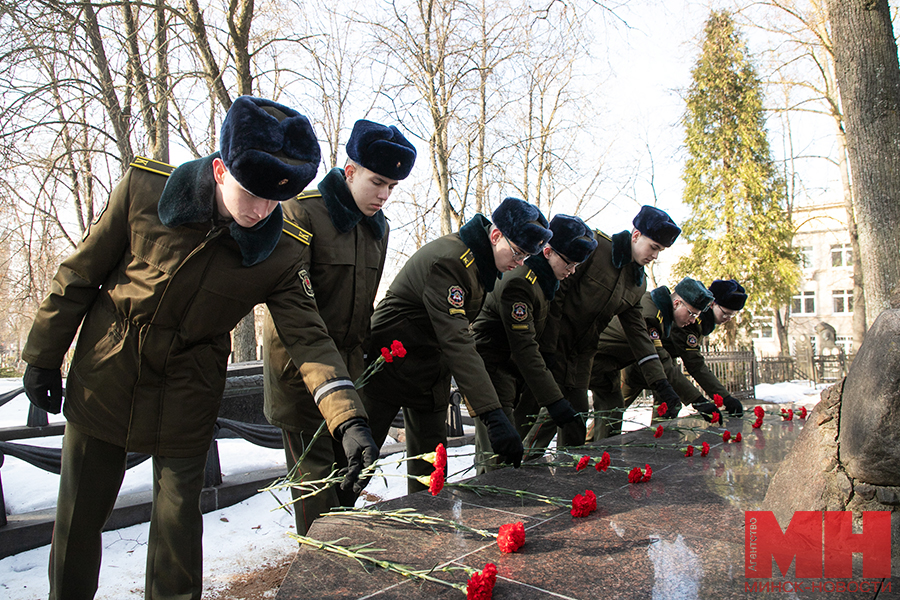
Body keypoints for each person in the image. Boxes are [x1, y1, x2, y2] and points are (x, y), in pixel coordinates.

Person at [19, 96, 380, 600]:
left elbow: (308, 336)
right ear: (218, 169)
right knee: (79, 520)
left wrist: (348, 418)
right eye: (251, 193)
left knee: (178, 534)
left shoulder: (282, 249)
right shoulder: (144, 192)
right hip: (108, 374)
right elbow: (79, 274)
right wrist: (42, 354)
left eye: (274, 200)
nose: (260, 212)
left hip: (188, 392)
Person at [262, 118, 416, 534]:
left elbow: (362, 311)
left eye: (392, 188)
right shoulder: (302, 212)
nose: (384, 196)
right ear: (350, 171)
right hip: (300, 377)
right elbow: (296, 314)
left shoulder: (377, 228)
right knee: (315, 493)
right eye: (377, 182)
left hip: (348, 375)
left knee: (349, 478)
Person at [362, 197, 553, 493]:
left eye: (527, 256)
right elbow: (458, 339)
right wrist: (492, 414)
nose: (520, 262)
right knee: (359, 462)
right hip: (391, 364)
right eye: (517, 252)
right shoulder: (452, 260)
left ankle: (427, 531)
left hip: (430, 371)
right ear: (495, 235)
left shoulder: (480, 266)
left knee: (431, 472)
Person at [515, 205, 683, 453]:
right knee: (543, 419)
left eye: (660, 251)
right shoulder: (595, 248)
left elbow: (640, 336)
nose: (655, 256)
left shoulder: (638, 283)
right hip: (553, 345)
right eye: (654, 247)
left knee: (576, 422)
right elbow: (556, 294)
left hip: (583, 358)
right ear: (636, 235)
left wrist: (660, 382)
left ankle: (567, 478)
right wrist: (548, 350)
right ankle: (516, 472)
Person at [471, 214, 597, 473]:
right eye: (570, 263)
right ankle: (482, 509)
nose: (572, 271)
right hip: (493, 370)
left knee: (506, 456)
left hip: (510, 371)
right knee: (496, 457)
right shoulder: (521, 281)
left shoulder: (544, 281)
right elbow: (525, 348)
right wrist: (555, 402)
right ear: (548, 251)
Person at [588, 277, 716, 439]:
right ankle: (565, 457)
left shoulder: (660, 315)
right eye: (691, 314)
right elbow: (660, 359)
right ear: (677, 304)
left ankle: (599, 455)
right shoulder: (650, 315)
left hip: (607, 367)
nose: (692, 321)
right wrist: (698, 401)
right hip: (589, 360)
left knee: (612, 411)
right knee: (561, 414)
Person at [620, 278, 747, 417]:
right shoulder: (688, 319)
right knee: (614, 409)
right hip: (640, 363)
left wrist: (723, 398)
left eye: (732, 315)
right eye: (725, 313)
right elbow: (695, 364)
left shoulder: (698, 320)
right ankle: (598, 439)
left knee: (668, 407)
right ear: (713, 304)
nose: (728, 318)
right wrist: (702, 401)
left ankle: (660, 438)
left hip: (662, 365)